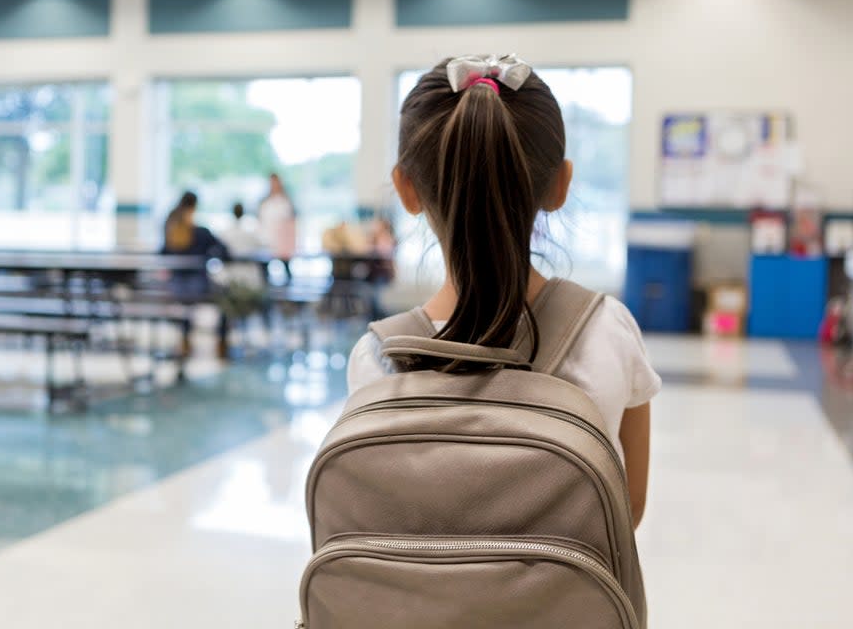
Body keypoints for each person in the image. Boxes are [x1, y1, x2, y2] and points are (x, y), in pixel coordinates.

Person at [346, 56, 661, 528]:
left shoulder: (376, 359)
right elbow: (626, 511)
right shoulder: (607, 330)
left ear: (405, 189)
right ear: (561, 184)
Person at [161, 191, 231, 359]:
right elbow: (224, 251)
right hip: (197, 286)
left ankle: (185, 339)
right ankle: (221, 342)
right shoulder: (201, 233)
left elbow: (162, 254)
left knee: (186, 304)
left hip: (175, 286)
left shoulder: (171, 231)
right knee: (226, 296)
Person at [257, 173, 297, 271]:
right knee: (264, 269)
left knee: (286, 268)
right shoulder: (264, 202)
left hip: (283, 243)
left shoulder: (286, 201)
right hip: (267, 241)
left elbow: (291, 222)